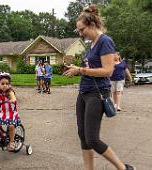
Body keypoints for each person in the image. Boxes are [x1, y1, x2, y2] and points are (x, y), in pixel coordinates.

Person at [63, 4, 135, 170]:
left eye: (82, 30)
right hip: (84, 92)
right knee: (83, 135)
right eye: (78, 31)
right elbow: (92, 68)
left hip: (97, 94)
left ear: (92, 25)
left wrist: (80, 69)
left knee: (93, 139)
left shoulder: (105, 41)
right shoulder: (92, 44)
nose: (80, 34)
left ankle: (123, 168)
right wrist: (77, 69)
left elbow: (108, 71)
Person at [0, 72, 18, 152]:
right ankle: (0, 133)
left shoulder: (10, 92)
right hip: (2, 112)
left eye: (7, 83)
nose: (5, 85)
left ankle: (12, 142)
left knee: (11, 126)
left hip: (11, 113)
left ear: (9, 84)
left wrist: (11, 100)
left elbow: (14, 99)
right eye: (2, 83)